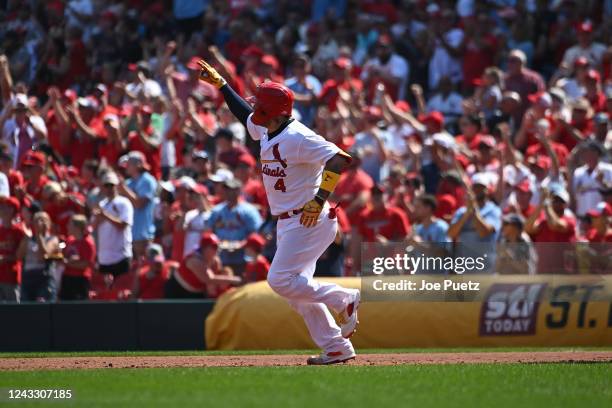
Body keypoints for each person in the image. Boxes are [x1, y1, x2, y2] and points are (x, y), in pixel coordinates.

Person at [198, 60, 360, 365]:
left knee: (279, 280)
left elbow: (339, 159)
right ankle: (336, 347)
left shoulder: (298, 136)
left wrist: (318, 199)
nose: (254, 106)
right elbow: (243, 113)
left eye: (260, 103)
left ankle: (344, 298)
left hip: (309, 217)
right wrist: (221, 84)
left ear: (273, 111)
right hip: (289, 221)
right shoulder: (268, 128)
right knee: (297, 295)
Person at [207, 178, 262, 276]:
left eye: (232, 189)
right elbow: (209, 232)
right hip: (221, 259)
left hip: (243, 260)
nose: (229, 193)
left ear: (239, 190)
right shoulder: (217, 210)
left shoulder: (249, 210)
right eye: (227, 189)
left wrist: (242, 244)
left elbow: (256, 234)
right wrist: (216, 244)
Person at [165, 232, 241, 298]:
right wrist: (234, 280)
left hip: (196, 293)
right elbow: (209, 279)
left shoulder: (215, 260)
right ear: (205, 248)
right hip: (177, 291)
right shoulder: (194, 260)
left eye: (218, 247)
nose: (218, 250)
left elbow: (217, 277)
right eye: (214, 247)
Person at [92, 171, 133, 279]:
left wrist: (105, 215)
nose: (109, 188)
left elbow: (123, 225)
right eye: (106, 185)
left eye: (111, 185)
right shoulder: (101, 204)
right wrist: (98, 217)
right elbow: (92, 227)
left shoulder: (124, 202)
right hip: (104, 258)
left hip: (120, 256)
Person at [118, 151, 157, 261]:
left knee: (144, 264)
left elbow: (139, 204)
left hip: (143, 234)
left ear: (138, 164)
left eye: (129, 163)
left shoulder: (147, 180)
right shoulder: (129, 182)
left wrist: (123, 188)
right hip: (129, 233)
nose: (126, 167)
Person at [21, 211, 59, 302]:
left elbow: (43, 256)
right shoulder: (29, 239)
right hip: (28, 276)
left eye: (43, 220)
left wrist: (39, 235)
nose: (39, 223)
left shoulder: (53, 239)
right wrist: (26, 238)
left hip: (44, 278)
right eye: (36, 221)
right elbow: (19, 255)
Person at [59, 214, 96, 301]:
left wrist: (67, 263)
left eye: (70, 224)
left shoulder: (88, 243)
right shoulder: (70, 240)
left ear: (77, 227)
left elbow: (85, 265)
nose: (67, 226)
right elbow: (64, 257)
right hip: (67, 278)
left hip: (80, 280)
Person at [0, 196, 27, 302]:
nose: (1, 209)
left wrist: (4, 258)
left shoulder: (19, 231)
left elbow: (20, 256)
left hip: (11, 276)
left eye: (4, 207)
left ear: (11, 210)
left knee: (13, 310)